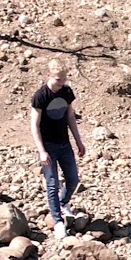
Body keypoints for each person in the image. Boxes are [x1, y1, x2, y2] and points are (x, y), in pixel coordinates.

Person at [30, 56, 86, 239]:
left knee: (73, 180)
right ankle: (58, 221)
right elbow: (34, 125)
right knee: (52, 183)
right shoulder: (40, 96)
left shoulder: (66, 92)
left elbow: (70, 117)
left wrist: (78, 141)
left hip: (64, 143)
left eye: (64, 79)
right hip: (48, 146)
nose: (62, 83)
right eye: (58, 79)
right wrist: (41, 150)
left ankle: (62, 203)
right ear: (49, 75)